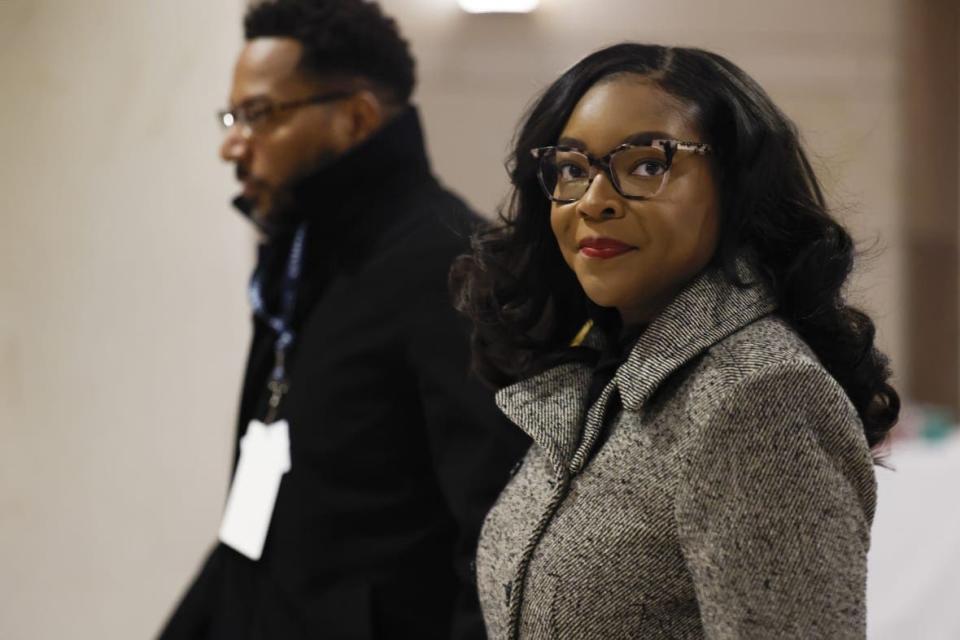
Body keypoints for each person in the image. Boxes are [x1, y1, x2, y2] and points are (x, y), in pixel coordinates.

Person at [452, 43, 900, 639]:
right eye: (572, 168)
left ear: (736, 186)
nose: (594, 201)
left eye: (646, 164)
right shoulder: (607, 374)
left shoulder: (761, 397)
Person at [159, 1, 528, 638]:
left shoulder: (452, 267)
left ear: (355, 117)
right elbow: (254, 531)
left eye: (258, 115)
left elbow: (499, 533)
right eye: (231, 116)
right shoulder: (300, 264)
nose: (232, 145)